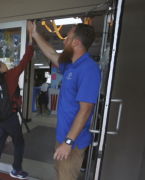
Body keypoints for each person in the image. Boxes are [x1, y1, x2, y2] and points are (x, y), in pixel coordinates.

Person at [28, 20, 101, 180]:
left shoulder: (89, 69)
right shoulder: (71, 65)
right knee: (59, 173)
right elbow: (51, 54)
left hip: (73, 141)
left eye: (67, 38)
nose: (63, 40)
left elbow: (86, 109)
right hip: (63, 135)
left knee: (66, 177)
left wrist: (68, 142)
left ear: (76, 42)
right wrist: (35, 35)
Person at [0, 24, 34, 180]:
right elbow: (25, 61)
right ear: (0, 69)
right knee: (19, 143)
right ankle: (17, 170)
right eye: (3, 64)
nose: (5, 64)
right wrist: (30, 41)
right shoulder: (10, 76)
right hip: (11, 117)